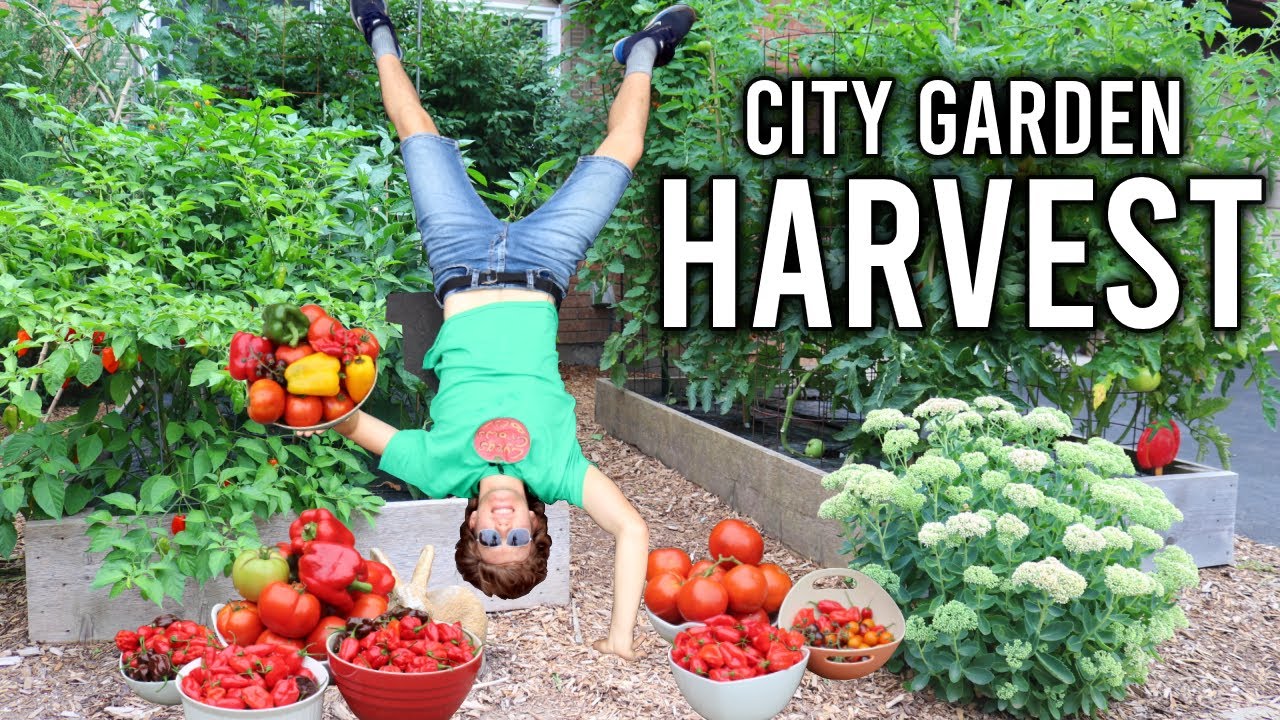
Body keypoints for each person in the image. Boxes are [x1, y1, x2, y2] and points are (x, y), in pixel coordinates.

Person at [327, 0, 698, 660]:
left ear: (469, 524)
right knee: (625, 149)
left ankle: (375, 27)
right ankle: (642, 53)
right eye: (517, 537)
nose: (501, 527)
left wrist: (306, 397)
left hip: (458, 259)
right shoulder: (560, 473)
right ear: (537, 523)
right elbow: (632, 530)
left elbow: (351, 422)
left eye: (488, 539)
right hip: (544, 264)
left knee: (416, 130)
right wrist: (620, 635)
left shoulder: (440, 472)